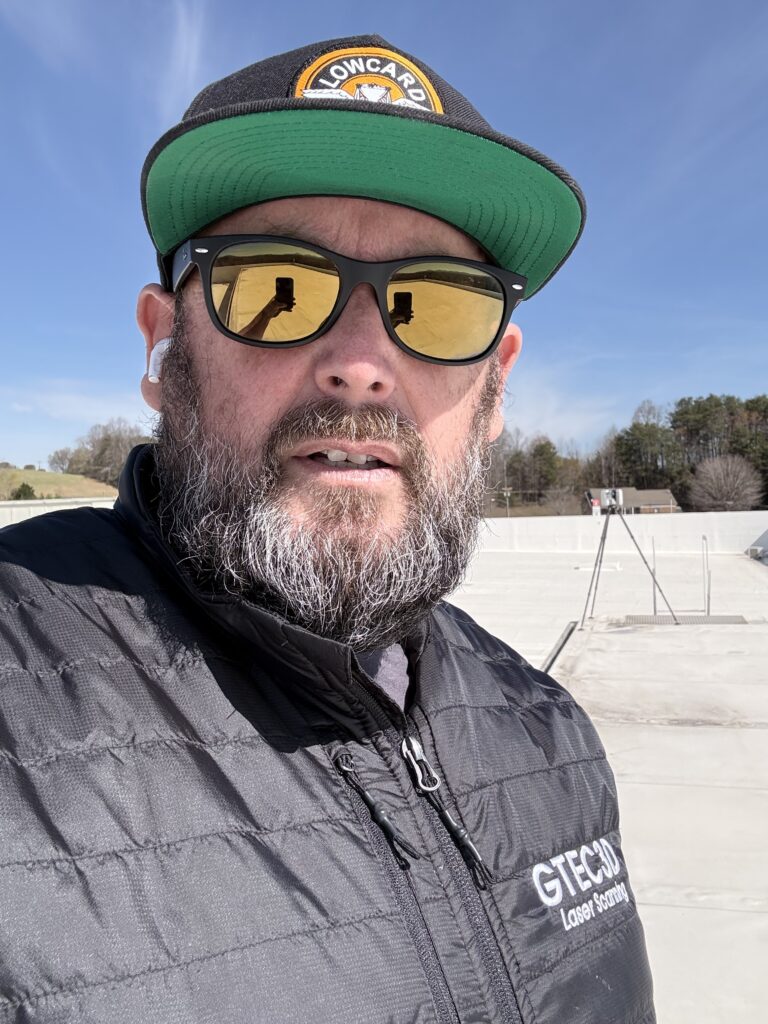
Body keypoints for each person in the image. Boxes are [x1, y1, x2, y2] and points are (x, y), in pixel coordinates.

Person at [0, 35, 655, 1024]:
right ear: (161, 345)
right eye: (277, 289)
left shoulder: (552, 737)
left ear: (498, 381)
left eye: (433, 305)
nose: (360, 362)